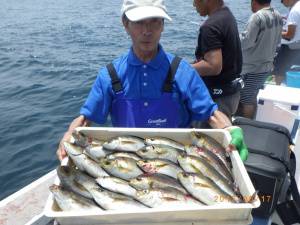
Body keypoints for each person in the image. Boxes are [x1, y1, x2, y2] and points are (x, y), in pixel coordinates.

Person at [56, 0, 248, 162]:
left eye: (154, 21)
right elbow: (85, 119)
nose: (147, 31)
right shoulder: (109, 75)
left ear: (163, 25)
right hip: (126, 163)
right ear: (125, 24)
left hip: (177, 162)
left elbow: (210, 113)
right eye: (139, 22)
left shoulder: (183, 71)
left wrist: (229, 129)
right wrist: (69, 135)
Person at [191, 0, 243, 119]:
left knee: (210, 136)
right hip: (232, 93)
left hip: (218, 98)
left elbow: (213, 66)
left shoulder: (210, 26)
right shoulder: (227, 15)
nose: (194, 4)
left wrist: (181, 67)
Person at [237, 0, 282, 119]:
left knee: (246, 99)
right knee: (251, 96)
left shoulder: (256, 17)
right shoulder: (277, 15)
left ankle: (247, 124)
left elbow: (246, 42)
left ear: (254, 1)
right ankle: (251, 120)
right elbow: (278, 41)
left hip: (251, 68)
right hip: (266, 67)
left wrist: (234, 37)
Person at [274, 0, 300, 85]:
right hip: (297, 46)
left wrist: (274, 32)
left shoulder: (294, 11)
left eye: (282, 0)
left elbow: (289, 35)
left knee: (278, 69)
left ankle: (277, 91)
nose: (281, 2)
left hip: (290, 47)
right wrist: (286, 18)